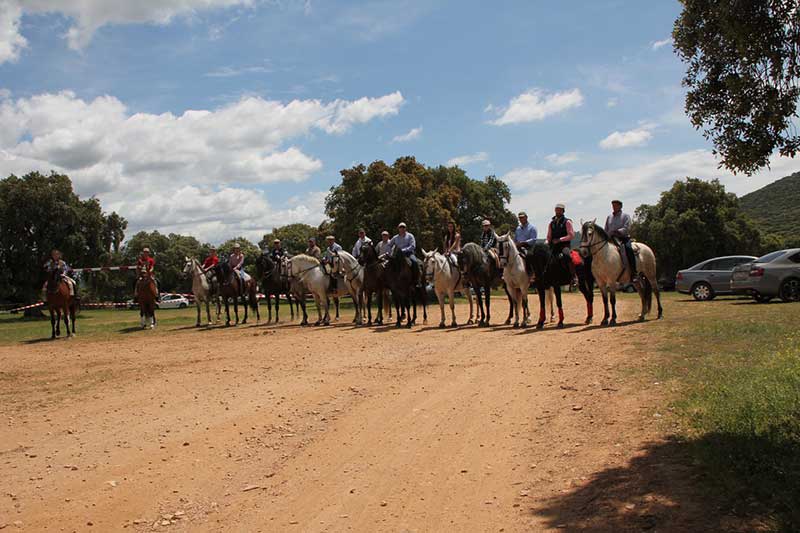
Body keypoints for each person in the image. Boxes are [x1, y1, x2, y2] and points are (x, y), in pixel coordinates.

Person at [605, 199, 636, 281]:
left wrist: (618, 231)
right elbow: (606, 229)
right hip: (611, 239)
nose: (614, 207)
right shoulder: (609, 217)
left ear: (620, 206)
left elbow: (627, 227)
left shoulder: (625, 216)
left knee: (629, 249)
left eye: (615, 206)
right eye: (613, 206)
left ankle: (634, 273)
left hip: (623, 238)